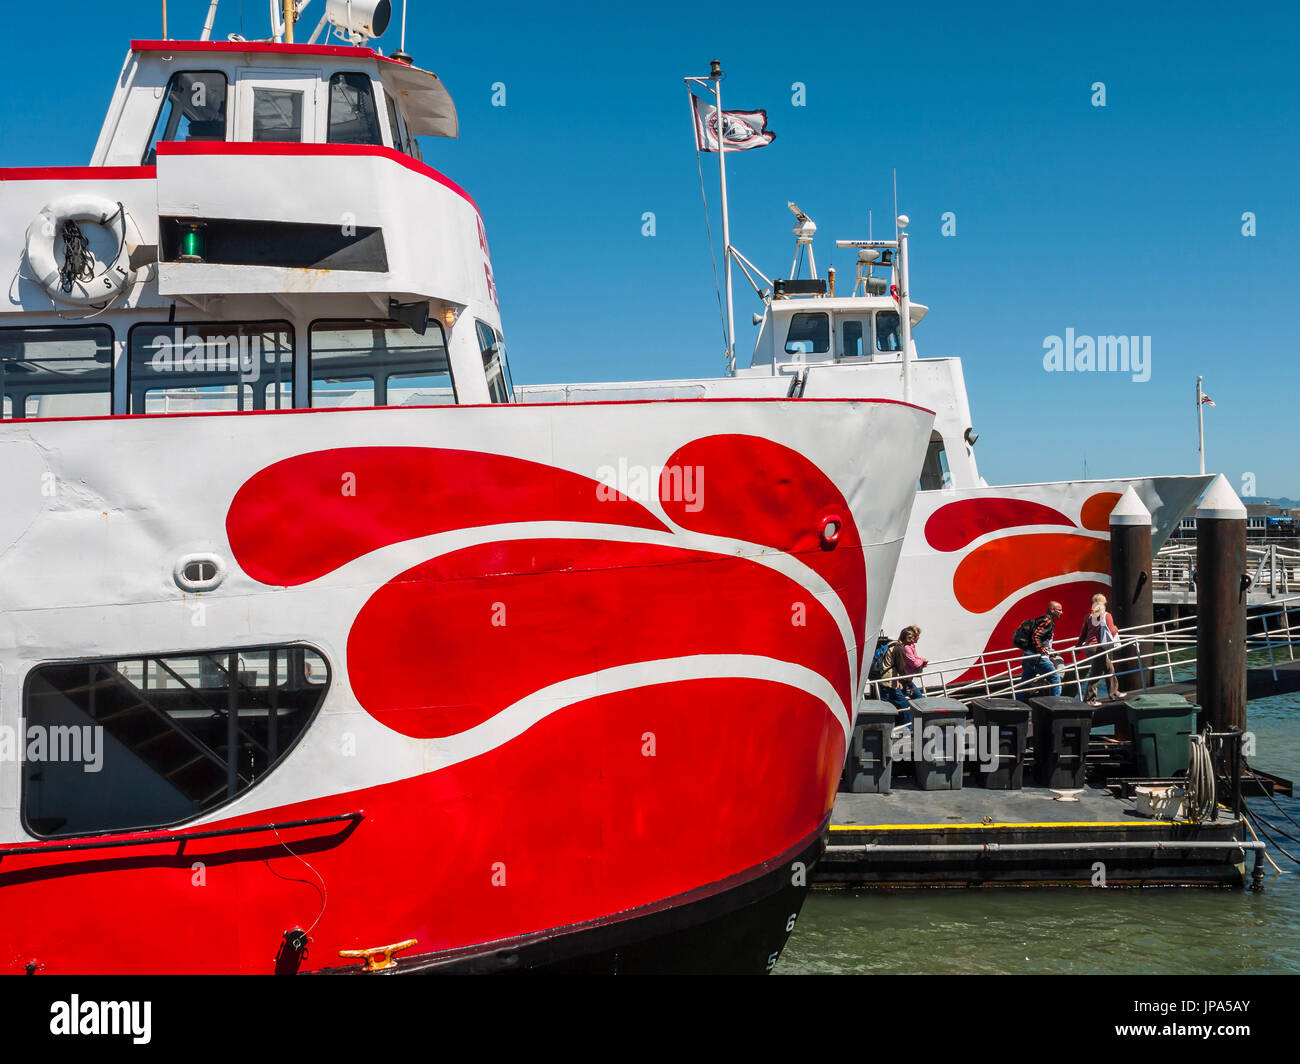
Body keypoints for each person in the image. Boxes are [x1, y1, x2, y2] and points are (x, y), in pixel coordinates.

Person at [1076, 593, 1122, 706]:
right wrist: (1116, 628)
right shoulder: (1106, 615)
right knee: (1096, 673)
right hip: (1098, 648)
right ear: (1104, 603)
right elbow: (1112, 631)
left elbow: (1083, 633)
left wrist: (1078, 646)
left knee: (1109, 668)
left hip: (1088, 647)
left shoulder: (1089, 616)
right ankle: (1089, 699)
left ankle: (1114, 693)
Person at [1020, 601, 1063, 699]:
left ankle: (1018, 700)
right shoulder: (1047, 621)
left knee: (1025, 681)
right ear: (1052, 610)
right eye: (1059, 610)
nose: (1061, 612)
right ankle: (1056, 702)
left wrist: (1048, 649)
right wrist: (1041, 649)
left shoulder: (1040, 619)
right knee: (1054, 677)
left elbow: (1037, 636)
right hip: (1037, 657)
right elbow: (1036, 635)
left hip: (1028, 654)